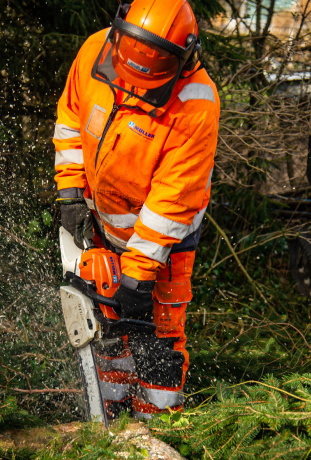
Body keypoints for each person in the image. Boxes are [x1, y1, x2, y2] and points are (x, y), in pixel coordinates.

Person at [53, 0, 219, 419]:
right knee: (106, 325)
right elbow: (71, 121)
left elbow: (173, 200)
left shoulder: (196, 104)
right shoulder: (96, 51)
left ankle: (155, 428)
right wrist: (71, 191)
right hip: (100, 223)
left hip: (164, 244)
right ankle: (106, 411)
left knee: (156, 333)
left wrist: (139, 273)